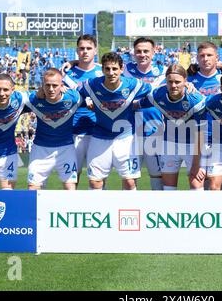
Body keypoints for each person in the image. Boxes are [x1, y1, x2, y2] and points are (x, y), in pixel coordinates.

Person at [78, 52, 152, 191]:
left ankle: (129, 213)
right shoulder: (91, 85)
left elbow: (153, 94)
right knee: (95, 183)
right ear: (102, 70)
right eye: (107, 69)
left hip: (126, 138)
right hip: (100, 136)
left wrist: (138, 104)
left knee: (130, 182)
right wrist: (85, 102)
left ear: (121, 69)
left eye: (114, 69)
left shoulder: (133, 84)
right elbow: (75, 96)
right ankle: (100, 212)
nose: (111, 72)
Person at [137, 64, 207, 190]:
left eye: (177, 82)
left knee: (197, 187)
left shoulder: (196, 100)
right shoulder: (157, 95)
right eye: (170, 82)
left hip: (193, 146)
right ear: (166, 81)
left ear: (186, 81)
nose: (173, 85)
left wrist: (196, 164)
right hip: (169, 144)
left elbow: (200, 134)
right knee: (168, 190)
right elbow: (137, 105)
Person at [25, 68, 84, 190]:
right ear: (42, 86)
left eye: (55, 85)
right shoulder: (33, 100)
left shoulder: (74, 98)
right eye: (47, 85)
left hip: (66, 148)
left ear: (62, 85)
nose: (51, 89)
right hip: (40, 149)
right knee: (33, 189)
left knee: (70, 188)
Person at [186, 41, 222, 190]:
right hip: (197, 137)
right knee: (197, 182)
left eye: (209, 55)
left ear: (216, 57)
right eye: (202, 55)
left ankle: (221, 213)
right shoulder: (188, 80)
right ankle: (201, 213)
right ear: (197, 58)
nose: (205, 59)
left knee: (221, 184)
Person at [122, 37, 166, 190]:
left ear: (154, 53)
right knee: (129, 179)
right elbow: (101, 67)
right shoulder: (124, 69)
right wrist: (74, 63)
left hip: (155, 131)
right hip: (128, 133)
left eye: (146, 51)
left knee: (157, 176)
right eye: (138, 51)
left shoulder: (164, 72)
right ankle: (129, 212)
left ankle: (156, 211)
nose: (142, 54)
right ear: (133, 53)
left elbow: (181, 80)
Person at [63, 35, 102, 186]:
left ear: (95, 50)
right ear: (77, 50)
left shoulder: (104, 72)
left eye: (89, 48)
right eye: (82, 48)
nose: (85, 51)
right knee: (73, 178)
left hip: (98, 131)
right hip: (74, 131)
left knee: (97, 179)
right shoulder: (66, 73)